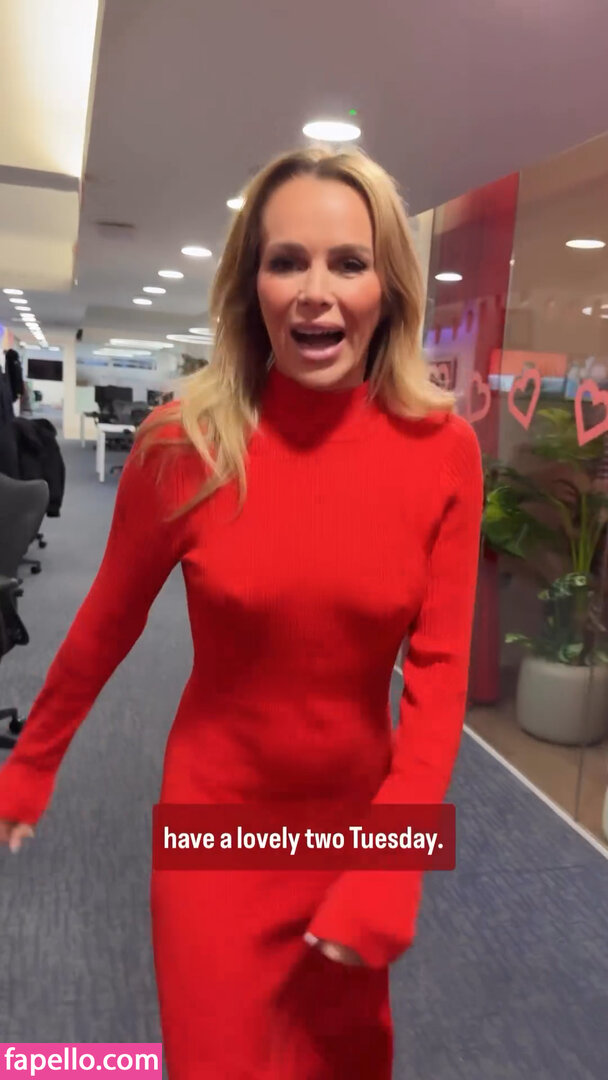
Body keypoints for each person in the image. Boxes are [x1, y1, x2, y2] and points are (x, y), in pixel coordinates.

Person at [0, 146, 483, 1078]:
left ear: (388, 286)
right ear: (250, 285)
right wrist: (33, 762)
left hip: (353, 830)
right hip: (215, 832)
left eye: (348, 262)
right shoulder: (184, 442)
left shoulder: (443, 451)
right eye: (286, 261)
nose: (315, 292)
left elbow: (440, 676)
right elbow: (105, 624)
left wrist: (397, 858)